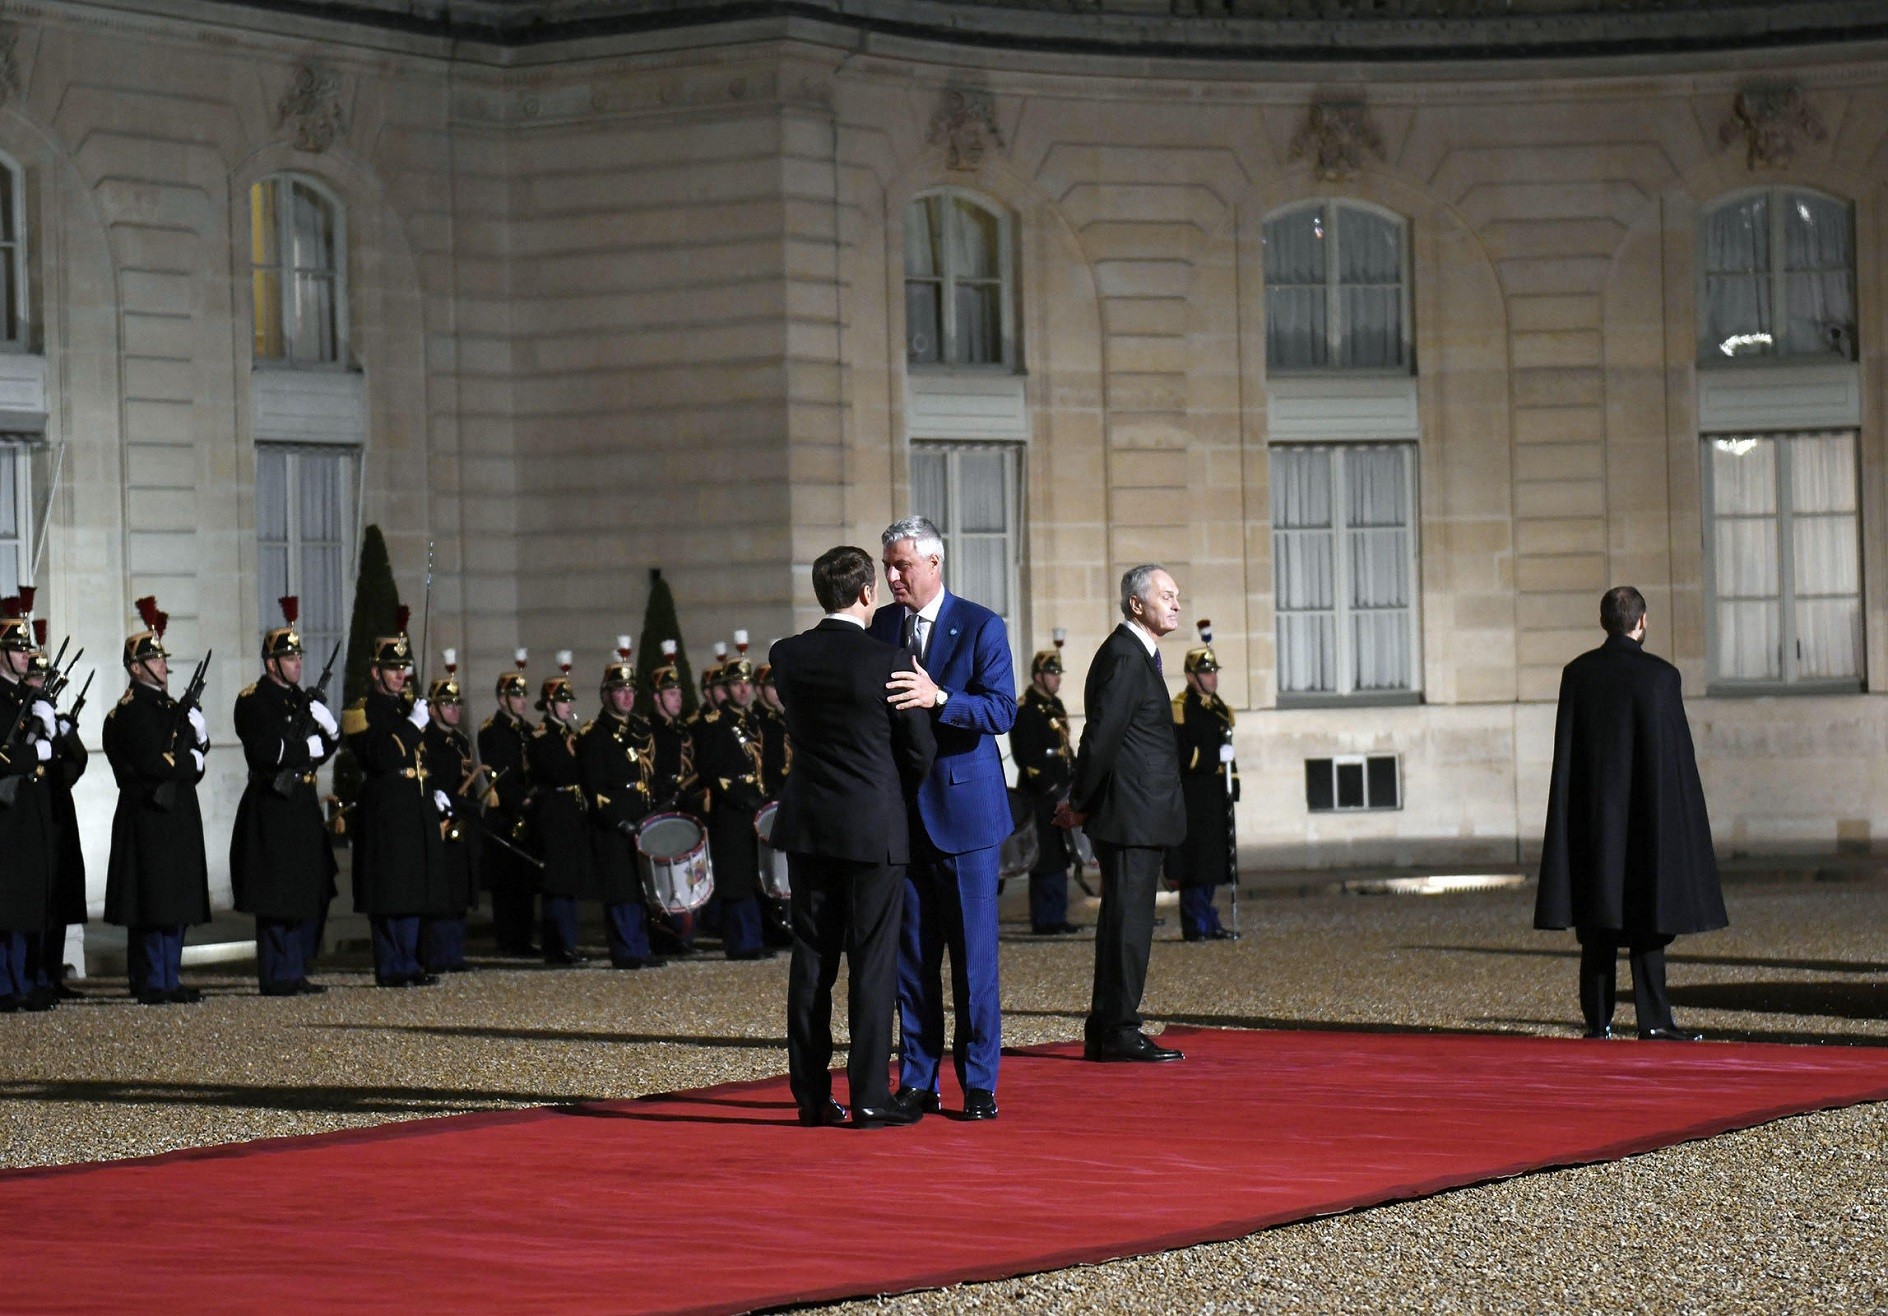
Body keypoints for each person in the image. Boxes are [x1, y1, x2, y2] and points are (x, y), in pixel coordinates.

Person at [771, 546, 936, 1128]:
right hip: (873, 827)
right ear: (867, 592)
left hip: (811, 826)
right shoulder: (890, 659)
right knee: (873, 962)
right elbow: (919, 750)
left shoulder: (786, 656)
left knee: (812, 960)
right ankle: (869, 1095)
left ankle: (813, 1098)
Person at [871, 514, 1015, 1121]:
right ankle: (918, 1078)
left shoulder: (981, 624)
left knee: (973, 960)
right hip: (904, 816)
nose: (892, 578)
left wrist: (942, 699)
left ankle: (979, 1083)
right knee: (913, 958)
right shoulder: (881, 625)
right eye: (887, 568)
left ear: (935, 563)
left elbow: (1002, 709)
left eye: (902, 565)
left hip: (966, 817)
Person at [1536, 586, 1728, 1041]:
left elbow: (1569, 755)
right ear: (1641, 622)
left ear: (1605, 621)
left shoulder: (1578, 674)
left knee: (1598, 919)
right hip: (1645, 814)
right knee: (1647, 918)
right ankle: (1654, 1020)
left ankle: (1597, 1021)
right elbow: (1674, 760)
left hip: (1593, 818)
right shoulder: (1661, 677)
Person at [1055, 565, 1187, 1063]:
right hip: (1130, 815)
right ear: (1137, 604)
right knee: (1128, 925)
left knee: (1125, 922)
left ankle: (1107, 1027)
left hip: (1138, 812)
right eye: (1166, 596)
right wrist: (1079, 803)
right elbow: (1101, 739)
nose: (1176, 603)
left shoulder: (1137, 655)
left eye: (1177, 596)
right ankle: (1119, 1030)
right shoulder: (1126, 658)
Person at [103, 597, 213, 1005]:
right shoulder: (129, 713)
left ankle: (169, 976)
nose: (165, 665)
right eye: (156, 660)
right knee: (152, 902)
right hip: (149, 815)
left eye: (164, 658)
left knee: (176, 900)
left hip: (177, 813)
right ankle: (152, 979)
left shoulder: (170, 707)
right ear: (136, 668)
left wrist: (194, 748)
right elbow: (153, 763)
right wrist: (191, 759)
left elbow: (189, 765)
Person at [230, 596, 340, 996]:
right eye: (289, 659)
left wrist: (328, 733)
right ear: (271, 663)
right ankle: (276, 975)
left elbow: (326, 746)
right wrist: (306, 748)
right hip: (272, 803)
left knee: (302, 888)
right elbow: (265, 750)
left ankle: (295, 969)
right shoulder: (253, 700)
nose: (297, 664)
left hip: (302, 804)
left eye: (298, 658)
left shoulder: (302, 700)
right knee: (275, 893)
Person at [342, 610, 448, 988]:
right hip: (386, 806)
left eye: (403, 666)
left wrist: (433, 787)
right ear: (375, 672)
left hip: (415, 802)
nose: (400, 673)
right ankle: (392, 966)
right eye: (392, 667)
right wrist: (413, 725)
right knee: (390, 889)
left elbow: (425, 755)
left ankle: (412, 961)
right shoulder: (361, 711)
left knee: (415, 886)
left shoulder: (409, 707)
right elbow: (379, 756)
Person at [579, 639, 665, 970]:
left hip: (643, 817)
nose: (627, 696)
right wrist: (618, 820)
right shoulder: (594, 734)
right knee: (620, 889)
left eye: (630, 690)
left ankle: (641, 945)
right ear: (606, 695)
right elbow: (594, 786)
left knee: (642, 886)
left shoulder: (640, 729)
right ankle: (626, 948)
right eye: (620, 690)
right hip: (615, 823)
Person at [692, 652, 772, 959]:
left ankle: (754, 938)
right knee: (735, 878)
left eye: (747, 684)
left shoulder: (754, 721)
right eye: (736, 684)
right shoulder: (713, 723)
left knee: (755, 875)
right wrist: (742, 796)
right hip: (731, 811)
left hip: (756, 808)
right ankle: (741, 942)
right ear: (725, 687)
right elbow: (711, 769)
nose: (743, 690)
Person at [26, 617, 88, 1004]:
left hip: (59, 813)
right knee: (37, 899)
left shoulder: (50, 716)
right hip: (35, 814)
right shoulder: (23, 718)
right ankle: (33, 976)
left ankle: (51, 973)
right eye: (36, 677)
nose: (41, 684)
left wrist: (63, 735)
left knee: (62, 894)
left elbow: (73, 767)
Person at [0, 596, 57, 1011]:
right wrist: (35, 752)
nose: (26, 656)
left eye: (27, 649)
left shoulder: (27, 697)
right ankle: (4, 985)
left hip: (28, 811)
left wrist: (50, 731)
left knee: (24, 902)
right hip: (4, 814)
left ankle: (20, 981)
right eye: (18, 649)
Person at [1166, 625, 1239, 942]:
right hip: (1194, 794)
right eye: (1206, 674)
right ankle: (1195, 923)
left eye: (1214, 673)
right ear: (1191, 676)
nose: (1213, 678)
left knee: (1212, 862)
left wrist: (1233, 780)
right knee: (1195, 863)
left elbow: (1229, 751)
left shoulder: (1220, 709)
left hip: (1215, 795)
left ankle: (1208, 919)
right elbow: (1183, 753)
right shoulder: (1182, 707)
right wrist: (1213, 758)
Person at [1009, 637, 1081, 936]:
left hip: (1062, 791)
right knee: (1045, 857)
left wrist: (1076, 777)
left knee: (1062, 854)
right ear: (1038, 676)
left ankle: (1058, 915)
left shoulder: (1056, 705)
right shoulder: (1027, 709)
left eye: (1059, 673)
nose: (1057, 678)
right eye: (1052, 673)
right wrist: (1050, 787)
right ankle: (1045, 918)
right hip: (1040, 795)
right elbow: (1026, 755)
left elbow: (1064, 746)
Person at [529, 653, 594, 966]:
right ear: (550, 704)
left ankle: (569, 942)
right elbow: (558, 771)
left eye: (569, 701)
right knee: (557, 883)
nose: (568, 706)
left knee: (570, 882)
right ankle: (557, 945)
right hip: (554, 812)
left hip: (572, 811)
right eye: (562, 701)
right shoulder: (543, 736)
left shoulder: (571, 734)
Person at [420, 651, 478, 974]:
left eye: (456, 704)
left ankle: (454, 953)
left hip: (462, 817)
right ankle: (439, 954)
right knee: (442, 892)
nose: (454, 709)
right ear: (433, 708)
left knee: (459, 890)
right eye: (447, 704)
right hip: (441, 820)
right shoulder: (427, 740)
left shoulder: (460, 741)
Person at [644, 642, 701, 955]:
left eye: (678, 693)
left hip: (685, 805)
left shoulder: (682, 729)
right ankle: (664, 935)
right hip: (662, 808)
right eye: (670, 694)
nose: (677, 699)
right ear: (656, 698)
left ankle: (684, 934)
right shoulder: (650, 731)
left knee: (687, 876)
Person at [479, 650, 537, 956]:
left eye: (523, 695)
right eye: (516, 696)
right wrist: (521, 799)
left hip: (526, 814)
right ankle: (508, 940)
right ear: (503, 699)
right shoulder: (492, 730)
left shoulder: (527, 730)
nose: (522, 701)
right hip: (506, 814)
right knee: (507, 884)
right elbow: (500, 773)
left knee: (525, 883)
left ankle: (524, 938)